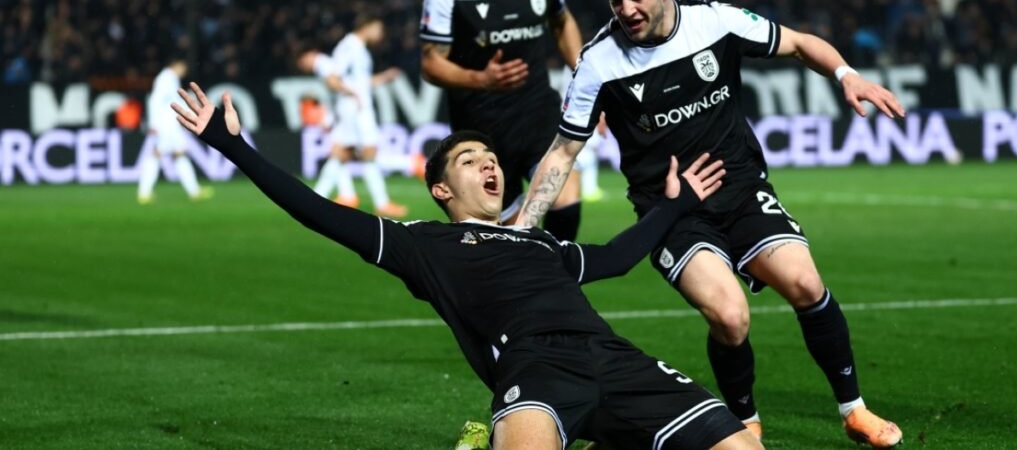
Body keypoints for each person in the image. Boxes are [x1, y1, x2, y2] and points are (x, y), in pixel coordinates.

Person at [171, 81, 762, 450]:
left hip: (614, 357)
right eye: (469, 159)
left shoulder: (541, 243)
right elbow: (318, 212)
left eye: (491, 157)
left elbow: (617, 257)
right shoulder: (424, 244)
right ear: (441, 190)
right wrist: (234, 146)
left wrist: (675, 205)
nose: (489, 164)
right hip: (535, 368)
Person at [517, 0, 905, 449]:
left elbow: (798, 42)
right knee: (729, 315)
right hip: (672, 212)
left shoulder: (714, 21)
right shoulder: (599, 63)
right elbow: (563, 152)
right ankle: (746, 421)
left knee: (806, 285)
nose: (626, 10)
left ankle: (854, 411)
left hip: (741, 190)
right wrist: (520, 231)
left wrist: (846, 74)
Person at [419, 0, 583, 240]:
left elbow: (562, 22)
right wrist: (482, 79)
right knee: (508, 232)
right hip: (481, 125)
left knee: (565, 198)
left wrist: (586, 79)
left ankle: (558, 270)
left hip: (536, 109)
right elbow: (430, 63)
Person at [298, 14, 407, 218]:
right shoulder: (350, 46)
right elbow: (333, 77)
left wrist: (384, 77)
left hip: (354, 106)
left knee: (342, 153)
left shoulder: (358, 48)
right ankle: (382, 203)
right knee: (367, 152)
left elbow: (360, 82)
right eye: (378, 28)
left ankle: (317, 199)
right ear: (368, 25)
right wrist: (352, 94)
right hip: (354, 108)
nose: (381, 34)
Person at [136, 58, 212, 204]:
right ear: (176, 65)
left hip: (170, 124)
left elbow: (172, 100)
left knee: (177, 154)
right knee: (160, 154)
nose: (185, 71)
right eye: (183, 67)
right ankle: (144, 192)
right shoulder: (166, 78)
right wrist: (154, 123)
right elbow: (155, 100)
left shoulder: (170, 78)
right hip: (166, 125)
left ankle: (193, 191)